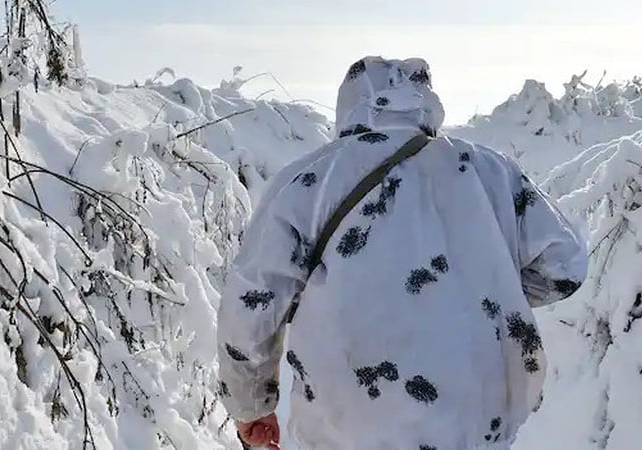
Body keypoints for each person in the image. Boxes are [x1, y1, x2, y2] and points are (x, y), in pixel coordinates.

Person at [217, 56, 587, 450]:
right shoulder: (492, 172)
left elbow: (252, 303)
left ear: (350, 103)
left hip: (348, 428)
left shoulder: (310, 181)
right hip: (473, 423)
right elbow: (565, 265)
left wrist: (251, 404)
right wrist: (478, 290)